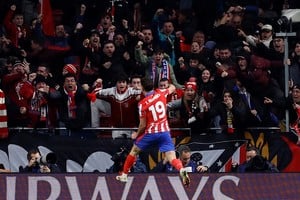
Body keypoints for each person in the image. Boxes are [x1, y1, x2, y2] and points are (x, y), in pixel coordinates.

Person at [116, 78, 191, 187]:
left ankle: (124, 175)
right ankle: (181, 170)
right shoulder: (161, 92)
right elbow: (173, 87)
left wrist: (136, 134)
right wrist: (168, 86)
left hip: (151, 133)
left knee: (134, 151)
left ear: (142, 87)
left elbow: (142, 125)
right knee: (172, 157)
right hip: (164, 132)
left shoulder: (142, 104)